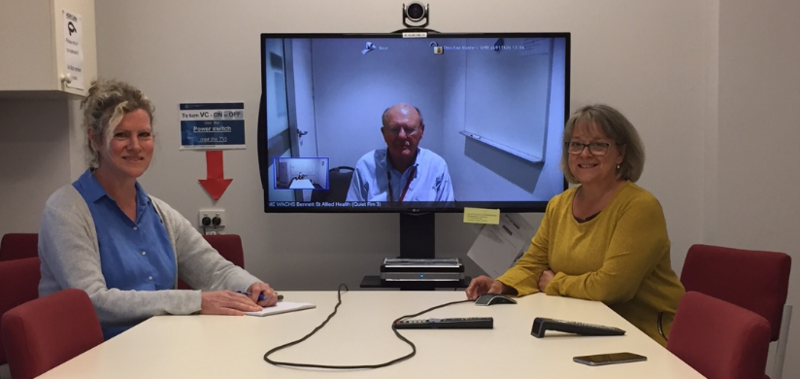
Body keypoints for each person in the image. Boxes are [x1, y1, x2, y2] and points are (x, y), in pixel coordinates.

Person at [38, 79, 278, 340]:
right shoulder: (65, 210)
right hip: (91, 359)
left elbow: (215, 271)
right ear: (95, 139)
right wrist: (195, 302)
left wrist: (252, 286)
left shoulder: (159, 212)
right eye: (120, 135)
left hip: (156, 349)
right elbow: (92, 301)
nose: (135, 146)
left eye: (144, 134)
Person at [465, 104, 684, 346]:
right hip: (585, 329)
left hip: (647, 338)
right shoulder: (559, 204)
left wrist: (555, 283)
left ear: (621, 154)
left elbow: (612, 287)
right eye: (576, 144)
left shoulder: (639, 207)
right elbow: (534, 263)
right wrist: (501, 284)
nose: (585, 154)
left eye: (599, 145)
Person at [346, 103, 455, 203]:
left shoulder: (436, 166)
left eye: (409, 129)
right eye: (394, 129)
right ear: (383, 133)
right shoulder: (366, 166)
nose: (402, 136)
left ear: (422, 131)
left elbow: (446, 217)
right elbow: (353, 216)